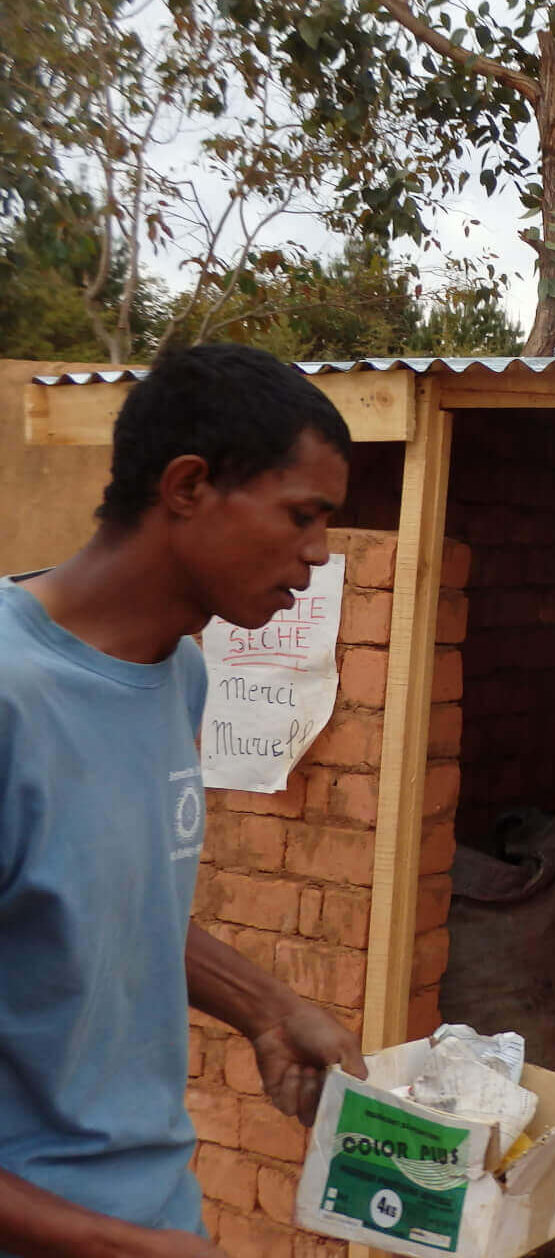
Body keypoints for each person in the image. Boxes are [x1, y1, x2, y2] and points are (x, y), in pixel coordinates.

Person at [0, 344, 370, 1258]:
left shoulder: (181, 679)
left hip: (153, 1206)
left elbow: (102, 906)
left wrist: (267, 1006)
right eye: (302, 515)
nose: (318, 555)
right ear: (189, 485)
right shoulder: (12, 700)